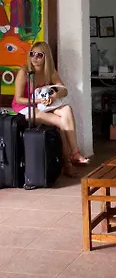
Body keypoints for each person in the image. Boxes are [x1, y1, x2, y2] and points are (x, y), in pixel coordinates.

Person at [12, 41, 89, 177]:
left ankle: (74, 152)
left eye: (39, 55)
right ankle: (69, 162)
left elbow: (64, 90)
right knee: (61, 123)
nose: (34, 58)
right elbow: (18, 99)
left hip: (42, 105)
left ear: (46, 57)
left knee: (66, 109)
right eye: (32, 54)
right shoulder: (24, 72)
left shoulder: (50, 72)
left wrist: (54, 96)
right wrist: (39, 101)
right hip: (25, 108)